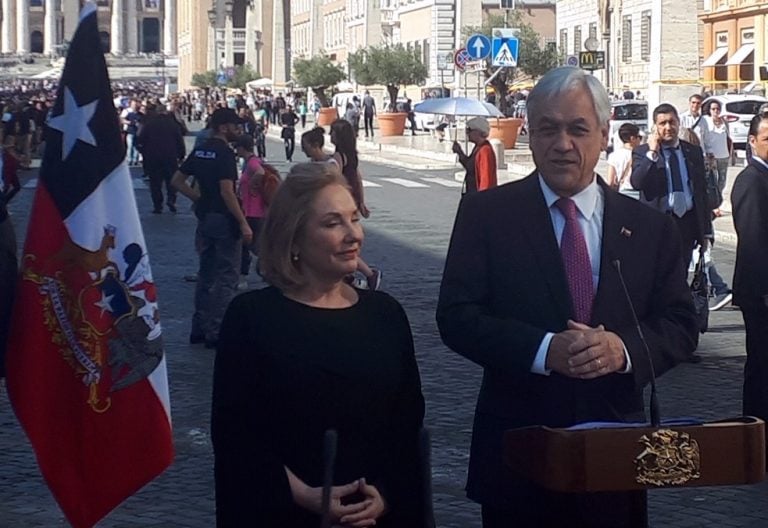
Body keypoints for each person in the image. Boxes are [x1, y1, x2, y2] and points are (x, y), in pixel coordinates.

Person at [436, 66, 699, 528]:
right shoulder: (486, 215)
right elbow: (456, 315)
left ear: (603, 133)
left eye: (578, 129)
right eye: (548, 129)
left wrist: (623, 350)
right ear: (530, 135)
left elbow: (680, 323)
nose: (563, 144)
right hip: (518, 455)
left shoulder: (650, 228)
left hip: (616, 456)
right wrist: (543, 351)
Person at [211, 165, 427, 527]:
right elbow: (235, 434)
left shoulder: (385, 314)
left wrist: (385, 494)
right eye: (332, 223)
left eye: (354, 219)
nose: (352, 235)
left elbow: (407, 427)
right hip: (284, 514)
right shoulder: (251, 317)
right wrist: (302, 494)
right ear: (294, 237)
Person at [171, 108, 253, 348]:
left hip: (205, 218)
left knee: (205, 274)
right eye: (235, 126)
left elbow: (176, 181)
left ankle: (199, 327)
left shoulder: (201, 149)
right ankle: (216, 330)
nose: (239, 130)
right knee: (227, 276)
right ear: (223, 127)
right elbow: (227, 191)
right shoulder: (225, 154)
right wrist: (242, 222)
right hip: (224, 219)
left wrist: (198, 198)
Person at [630, 103, 713, 273]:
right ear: (655, 127)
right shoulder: (642, 152)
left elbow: (701, 193)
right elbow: (637, 183)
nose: (668, 127)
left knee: (681, 276)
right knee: (657, 277)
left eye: (672, 122)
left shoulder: (693, 152)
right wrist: (652, 154)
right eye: (662, 123)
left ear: (678, 123)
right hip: (658, 224)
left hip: (686, 225)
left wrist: (705, 231)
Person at [303, 126, 382, 291]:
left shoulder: (336, 157)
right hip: (349, 201)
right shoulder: (351, 155)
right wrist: (360, 201)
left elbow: (334, 181)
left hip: (338, 204)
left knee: (339, 243)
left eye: (333, 132)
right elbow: (357, 178)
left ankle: (362, 275)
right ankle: (352, 277)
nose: (330, 134)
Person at [732, 113, 768, 444]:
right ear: (753, 141)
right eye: (767, 137)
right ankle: (756, 435)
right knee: (761, 366)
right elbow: (754, 240)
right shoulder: (751, 180)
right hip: (761, 293)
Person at [136, 103, 186, 214]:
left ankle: (157, 205)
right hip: (170, 156)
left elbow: (140, 139)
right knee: (171, 180)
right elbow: (179, 139)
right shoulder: (172, 124)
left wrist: (143, 152)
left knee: (155, 182)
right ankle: (171, 199)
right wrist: (181, 154)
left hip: (153, 156)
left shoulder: (149, 124)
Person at [234, 134, 268, 290]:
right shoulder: (250, 162)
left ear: (242, 147)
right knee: (253, 247)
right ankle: (266, 271)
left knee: (249, 247)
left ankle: (245, 276)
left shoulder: (253, 163)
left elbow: (260, 172)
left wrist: (253, 185)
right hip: (252, 211)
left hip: (253, 212)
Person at [698, 100, 731, 216]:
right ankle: (713, 205)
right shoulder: (706, 121)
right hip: (712, 156)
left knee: (722, 181)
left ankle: (718, 202)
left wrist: (732, 153)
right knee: (712, 181)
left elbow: (728, 138)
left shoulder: (724, 122)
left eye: (717, 109)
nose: (716, 111)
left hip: (724, 155)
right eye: (713, 109)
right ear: (709, 110)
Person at [452, 117, 497, 194]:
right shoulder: (478, 147)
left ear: (478, 132)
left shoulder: (485, 150)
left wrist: (481, 198)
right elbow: (470, 166)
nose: (467, 133)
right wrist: (459, 152)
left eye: (469, 130)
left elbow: (486, 179)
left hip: (479, 195)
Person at [606, 123, 641, 194]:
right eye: (639, 137)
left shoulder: (613, 156)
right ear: (632, 139)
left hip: (622, 193)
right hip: (639, 193)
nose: (640, 140)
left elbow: (610, 182)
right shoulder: (640, 155)